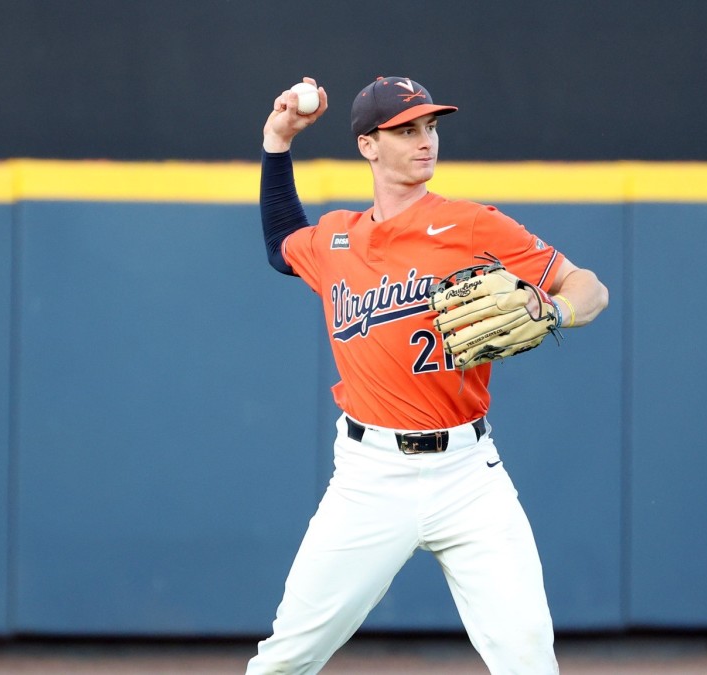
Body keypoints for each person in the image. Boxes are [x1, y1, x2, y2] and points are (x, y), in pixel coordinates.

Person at [248, 75, 609, 674]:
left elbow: (588, 287)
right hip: (369, 476)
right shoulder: (338, 237)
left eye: (431, 127)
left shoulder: (473, 226)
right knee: (287, 658)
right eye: (406, 130)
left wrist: (555, 308)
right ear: (369, 145)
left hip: (469, 476)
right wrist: (276, 142)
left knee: (528, 660)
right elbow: (281, 241)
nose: (426, 141)